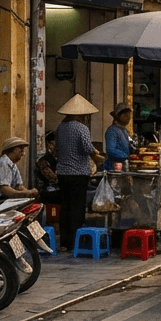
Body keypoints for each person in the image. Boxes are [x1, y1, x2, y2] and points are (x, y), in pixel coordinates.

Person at [54, 94, 104, 251]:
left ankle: (64, 242)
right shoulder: (81, 129)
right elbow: (88, 149)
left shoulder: (60, 128)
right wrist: (97, 154)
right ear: (78, 115)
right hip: (78, 174)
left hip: (63, 174)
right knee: (77, 208)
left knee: (65, 207)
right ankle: (75, 241)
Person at [104, 103, 135, 172]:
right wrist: (126, 156)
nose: (128, 117)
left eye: (129, 115)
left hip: (124, 166)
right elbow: (111, 149)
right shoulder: (112, 131)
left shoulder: (124, 130)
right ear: (118, 116)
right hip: (113, 167)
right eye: (125, 115)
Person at [32, 131, 61, 204]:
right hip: (46, 190)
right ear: (50, 144)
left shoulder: (55, 159)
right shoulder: (44, 161)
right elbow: (53, 179)